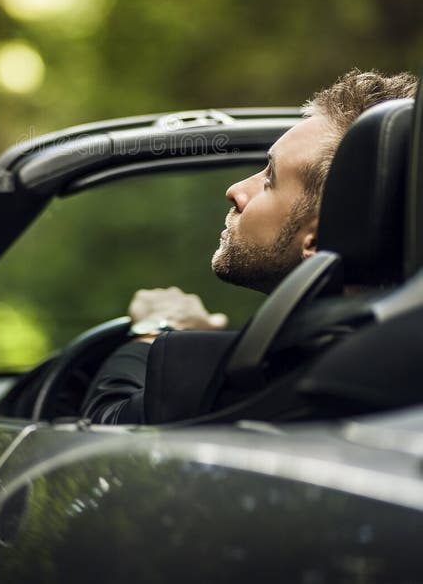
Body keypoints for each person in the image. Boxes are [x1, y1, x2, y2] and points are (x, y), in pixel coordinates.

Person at [81, 69, 418, 425]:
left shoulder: (270, 377)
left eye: (270, 177)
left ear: (317, 239)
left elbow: (105, 428)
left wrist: (153, 329)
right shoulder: (389, 368)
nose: (236, 190)